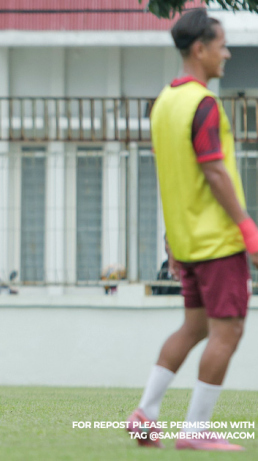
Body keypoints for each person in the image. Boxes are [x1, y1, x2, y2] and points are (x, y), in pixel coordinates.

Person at [126, 9, 256, 452]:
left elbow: (170, 174)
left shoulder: (164, 103)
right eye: (221, 45)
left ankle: (146, 411)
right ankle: (196, 430)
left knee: (194, 326)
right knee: (229, 330)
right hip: (218, 241)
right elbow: (214, 171)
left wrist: (173, 236)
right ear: (199, 49)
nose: (227, 52)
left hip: (185, 241)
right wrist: (247, 227)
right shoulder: (203, 103)